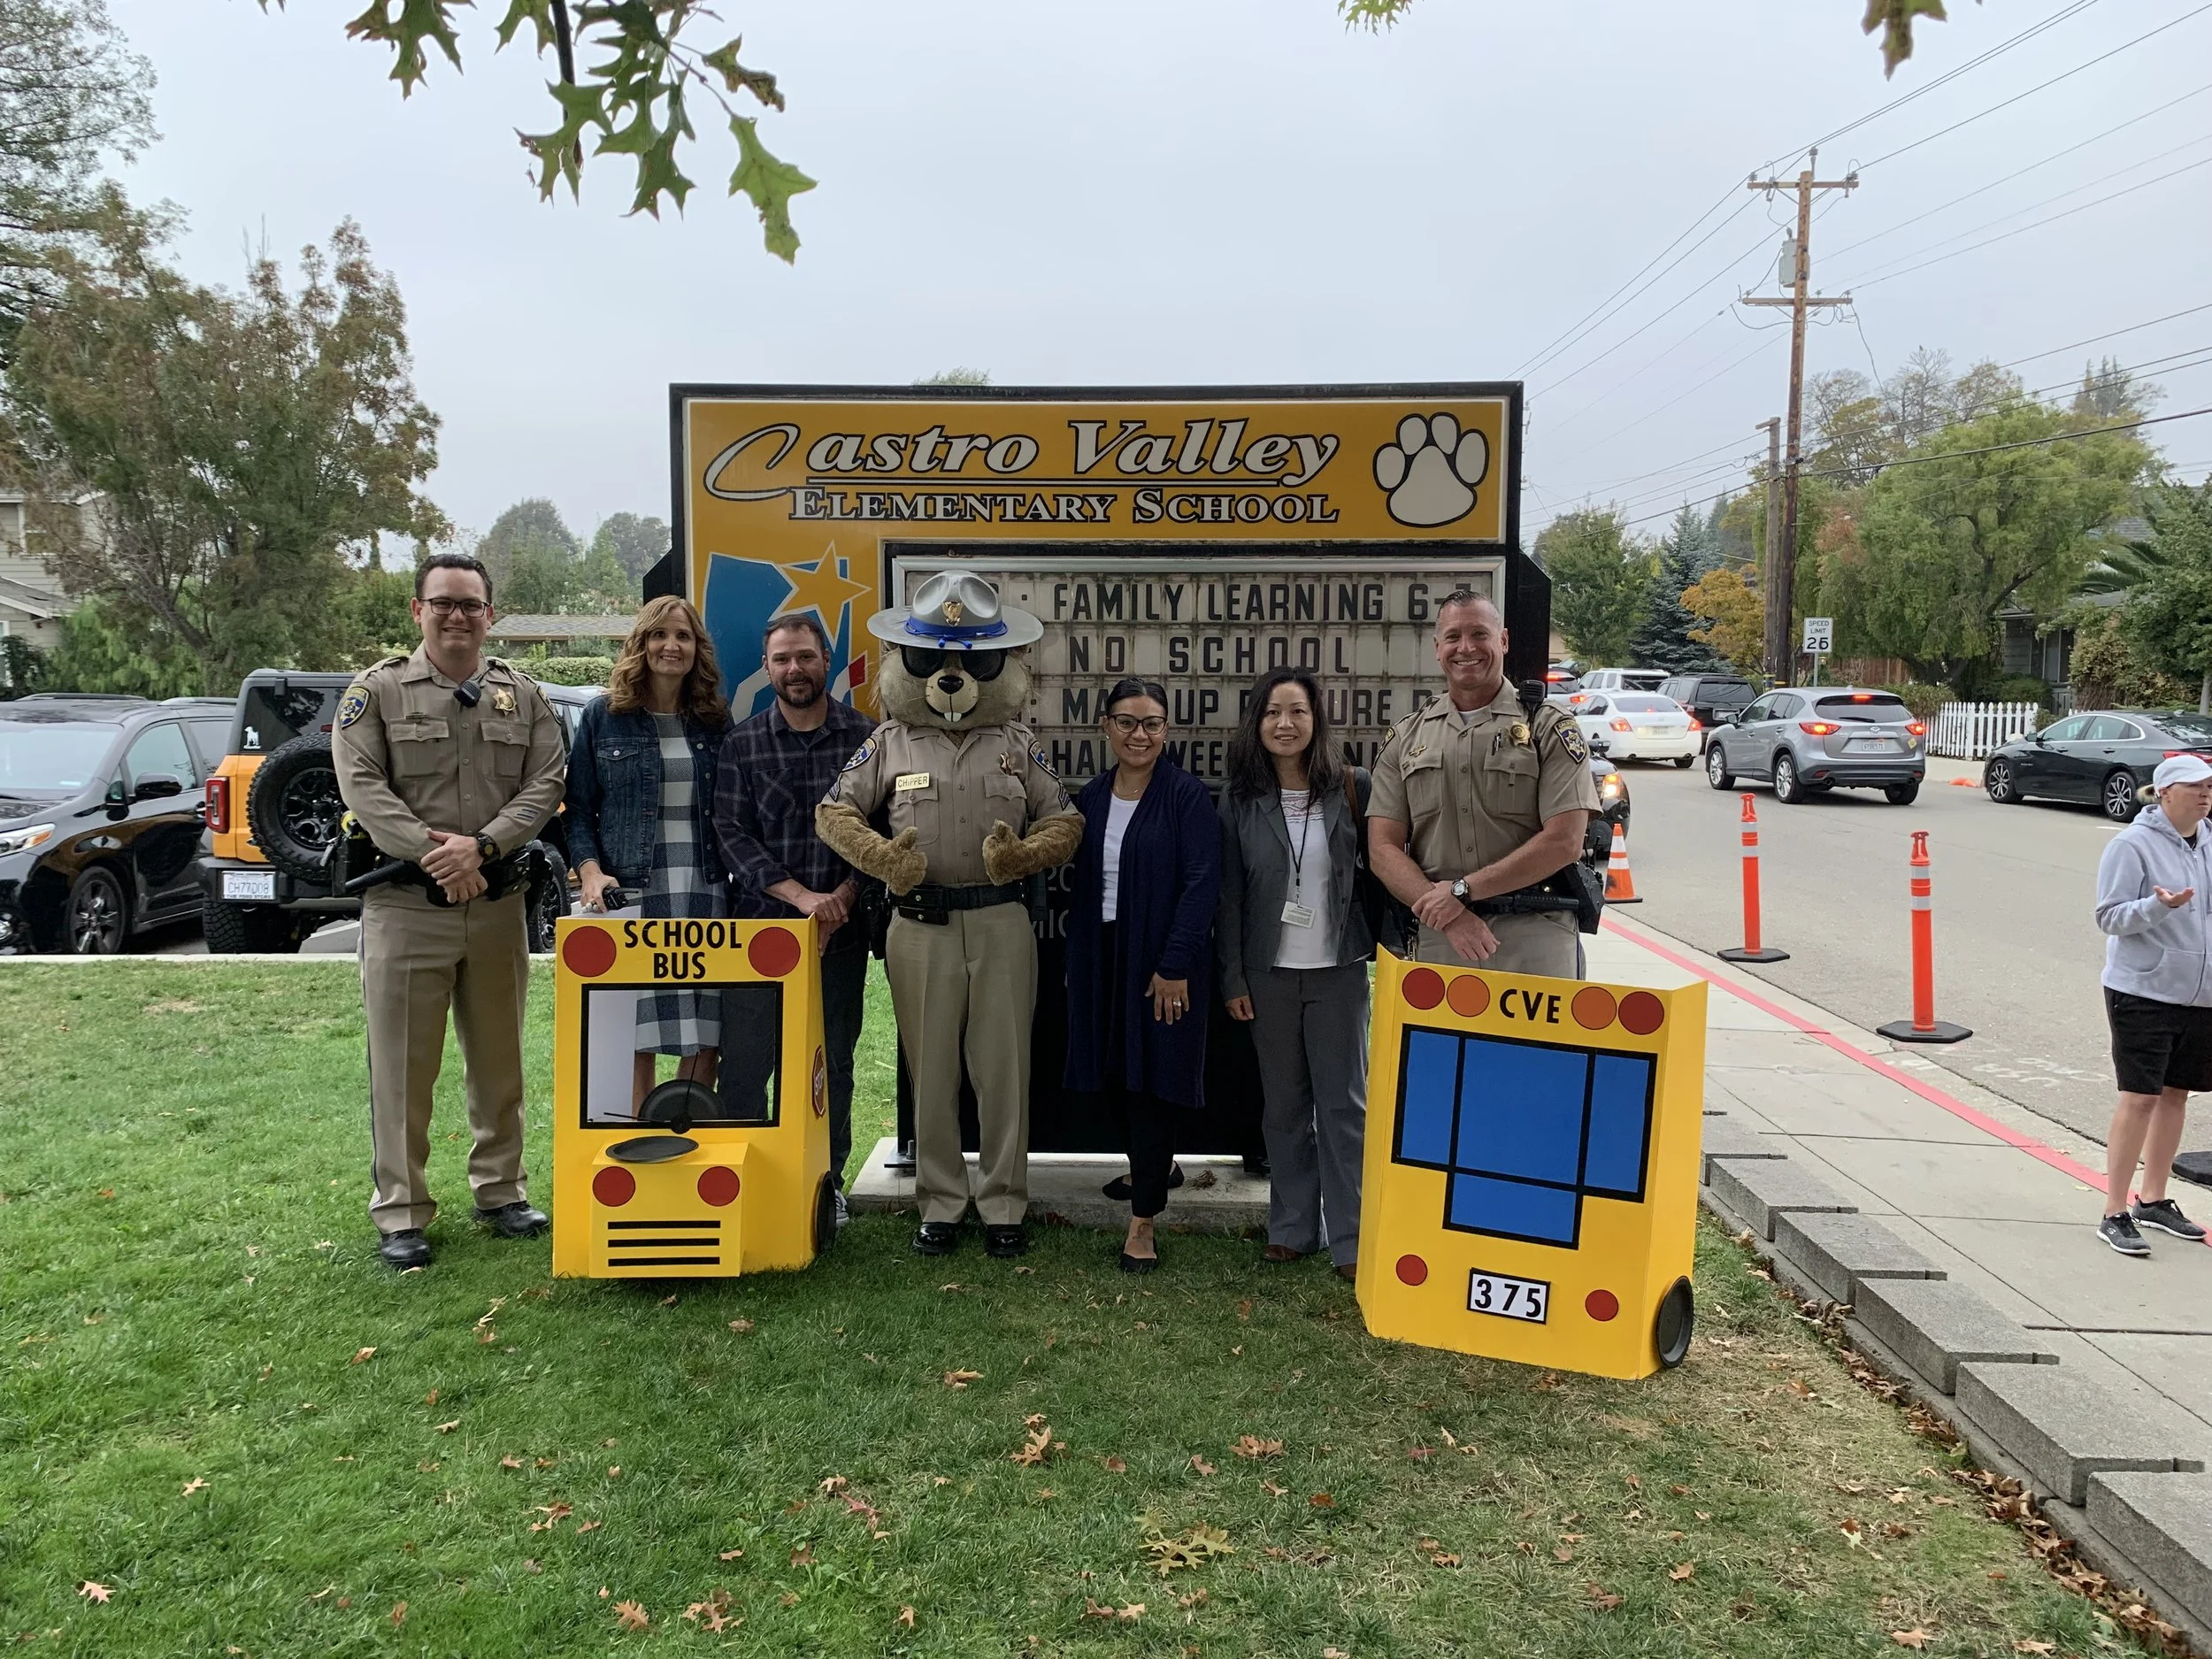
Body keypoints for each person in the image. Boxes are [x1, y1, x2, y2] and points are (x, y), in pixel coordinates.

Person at [816, 572, 1082, 1259]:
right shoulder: (889, 742)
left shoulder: (1017, 744)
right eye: (935, 658)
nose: (954, 675)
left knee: (1003, 1071)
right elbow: (834, 811)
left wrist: (1022, 857)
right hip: (920, 927)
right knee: (930, 1070)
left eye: (974, 660)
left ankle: (1002, 1203)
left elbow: (1067, 818)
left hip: (1000, 923)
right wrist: (884, 859)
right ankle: (939, 1201)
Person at [332, 552, 567, 1269]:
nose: (457, 615)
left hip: (496, 903)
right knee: (403, 1066)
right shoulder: (376, 693)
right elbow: (362, 786)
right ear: (418, 610)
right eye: (443, 602)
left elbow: (546, 777)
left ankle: (501, 1190)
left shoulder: (521, 696)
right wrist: (439, 854)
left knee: (499, 1062)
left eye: (470, 603)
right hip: (407, 907)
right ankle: (401, 1211)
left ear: (490, 615)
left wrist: (485, 848)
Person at [715, 614, 879, 1213]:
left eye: (805, 656)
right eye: (781, 659)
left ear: (826, 660)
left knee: (830, 1062)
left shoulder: (866, 739)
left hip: (841, 934)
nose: (794, 669)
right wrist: (802, 897)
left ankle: (824, 1183)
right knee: (747, 1061)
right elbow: (731, 833)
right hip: (759, 933)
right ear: (768, 667)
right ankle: (741, 1177)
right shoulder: (744, 742)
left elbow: (881, 828)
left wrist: (844, 894)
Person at [1217, 667, 1375, 1280]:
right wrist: (1231, 978)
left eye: (1297, 712)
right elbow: (1228, 896)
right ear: (1257, 724)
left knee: (1344, 1107)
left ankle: (1352, 1238)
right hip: (1268, 974)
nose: (1285, 724)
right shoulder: (1237, 798)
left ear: (1317, 720)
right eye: (1272, 713)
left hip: (1338, 969)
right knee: (1283, 1108)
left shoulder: (1353, 786)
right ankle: (1291, 1227)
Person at [1064, 679, 1222, 1273]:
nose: (1140, 734)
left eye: (1153, 723)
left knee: (1153, 1080)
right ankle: (1156, 1163)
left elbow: (1202, 883)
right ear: (1105, 726)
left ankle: (1143, 1221)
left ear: (1167, 730)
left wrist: (1175, 964)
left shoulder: (1185, 797)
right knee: (1112, 1071)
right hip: (1100, 955)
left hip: (1161, 960)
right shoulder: (1093, 797)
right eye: (1128, 722)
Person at [1368, 590, 1598, 978]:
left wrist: (1462, 891)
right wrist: (1447, 914)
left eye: (1479, 634)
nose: (1466, 648)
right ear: (1437, 648)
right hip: (1442, 936)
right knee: (1441, 1041)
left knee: (1535, 1042)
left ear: (1503, 640)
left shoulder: (1548, 727)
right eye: (1453, 637)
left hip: (1537, 931)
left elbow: (1565, 840)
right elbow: (1382, 848)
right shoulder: (1407, 736)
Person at [565, 596, 732, 1111]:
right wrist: (591, 873)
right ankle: (637, 1127)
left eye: (682, 636)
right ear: (641, 644)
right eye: (659, 635)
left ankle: (688, 1121)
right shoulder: (603, 717)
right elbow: (579, 810)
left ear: (696, 648)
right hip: (630, 888)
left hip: (703, 884)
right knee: (633, 1016)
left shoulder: (713, 721)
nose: (671, 646)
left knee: (708, 1016)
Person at [2092, 751, 2212, 1256]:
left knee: (2176, 1094)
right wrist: (2156, 907)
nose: (2205, 793)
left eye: (2209, 785)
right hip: (2142, 990)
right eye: (2193, 786)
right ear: (2164, 793)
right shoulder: (2132, 844)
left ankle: (2154, 1200)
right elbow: (2108, 917)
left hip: (2202, 994)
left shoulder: (2210, 844)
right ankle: (2114, 1210)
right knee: (2140, 1097)